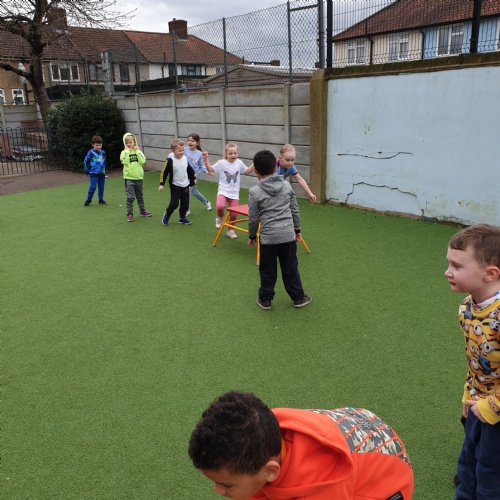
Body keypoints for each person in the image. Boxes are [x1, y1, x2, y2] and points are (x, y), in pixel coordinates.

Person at [188, 391, 414, 500]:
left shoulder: (323, 485)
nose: (217, 491)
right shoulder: (261, 431)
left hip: (387, 484)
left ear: (270, 471)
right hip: (360, 434)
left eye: (227, 485)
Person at [445, 223, 500, 500]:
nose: (447, 272)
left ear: (490, 273)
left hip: (496, 410)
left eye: (456, 266)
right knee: (467, 465)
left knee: (490, 474)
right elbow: (476, 360)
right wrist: (470, 395)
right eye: (448, 263)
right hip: (478, 402)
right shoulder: (468, 307)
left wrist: (492, 405)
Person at [248, 150, 311, 310]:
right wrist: (297, 230)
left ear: (255, 170)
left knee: (267, 270)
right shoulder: (287, 185)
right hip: (288, 236)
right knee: (290, 269)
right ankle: (298, 298)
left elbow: (253, 218)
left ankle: (265, 300)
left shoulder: (254, 192)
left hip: (268, 238)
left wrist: (252, 236)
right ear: (275, 167)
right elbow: (294, 210)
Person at [202, 143, 253, 239]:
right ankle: (219, 217)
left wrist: (254, 164)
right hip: (223, 190)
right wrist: (206, 160)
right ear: (226, 154)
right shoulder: (222, 163)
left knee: (234, 214)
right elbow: (210, 169)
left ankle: (230, 230)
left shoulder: (239, 163)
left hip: (234, 193)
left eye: (235, 153)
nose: (233, 155)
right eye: (230, 153)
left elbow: (247, 171)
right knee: (220, 206)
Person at [159, 138, 196, 226]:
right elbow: (164, 172)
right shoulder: (170, 161)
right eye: (179, 151)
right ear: (172, 150)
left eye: (183, 150)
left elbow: (189, 169)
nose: (182, 152)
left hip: (185, 184)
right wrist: (161, 184)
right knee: (174, 203)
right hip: (175, 185)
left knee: (185, 203)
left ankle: (182, 218)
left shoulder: (185, 159)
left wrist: (193, 178)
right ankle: (167, 214)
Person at [120, 133, 152, 222]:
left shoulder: (138, 152)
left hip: (138, 178)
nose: (129, 144)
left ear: (134, 142)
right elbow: (125, 162)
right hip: (129, 178)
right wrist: (127, 151)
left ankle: (142, 211)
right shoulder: (123, 153)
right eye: (127, 143)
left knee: (140, 196)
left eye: (130, 142)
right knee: (130, 197)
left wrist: (137, 151)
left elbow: (143, 161)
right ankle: (130, 214)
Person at [183, 133, 212, 214]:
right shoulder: (184, 150)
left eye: (192, 141)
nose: (190, 142)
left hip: (194, 176)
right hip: (185, 175)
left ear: (197, 143)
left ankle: (186, 210)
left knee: (187, 191)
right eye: (188, 140)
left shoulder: (199, 154)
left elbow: (201, 165)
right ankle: (206, 202)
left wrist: (207, 171)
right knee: (194, 192)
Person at [83, 135, 107, 206]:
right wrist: (87, 171)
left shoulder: (103, 152)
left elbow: (104, 162)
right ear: (93, 144)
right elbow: (86, 161)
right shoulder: (90, 153)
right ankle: (89, 199)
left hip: (101, 173)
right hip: (93, 173)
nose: (99, 147)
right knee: (93, 187)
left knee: (101, 187)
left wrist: (104, 171)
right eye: (97, 145)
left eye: (100, 145)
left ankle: (101, 200)